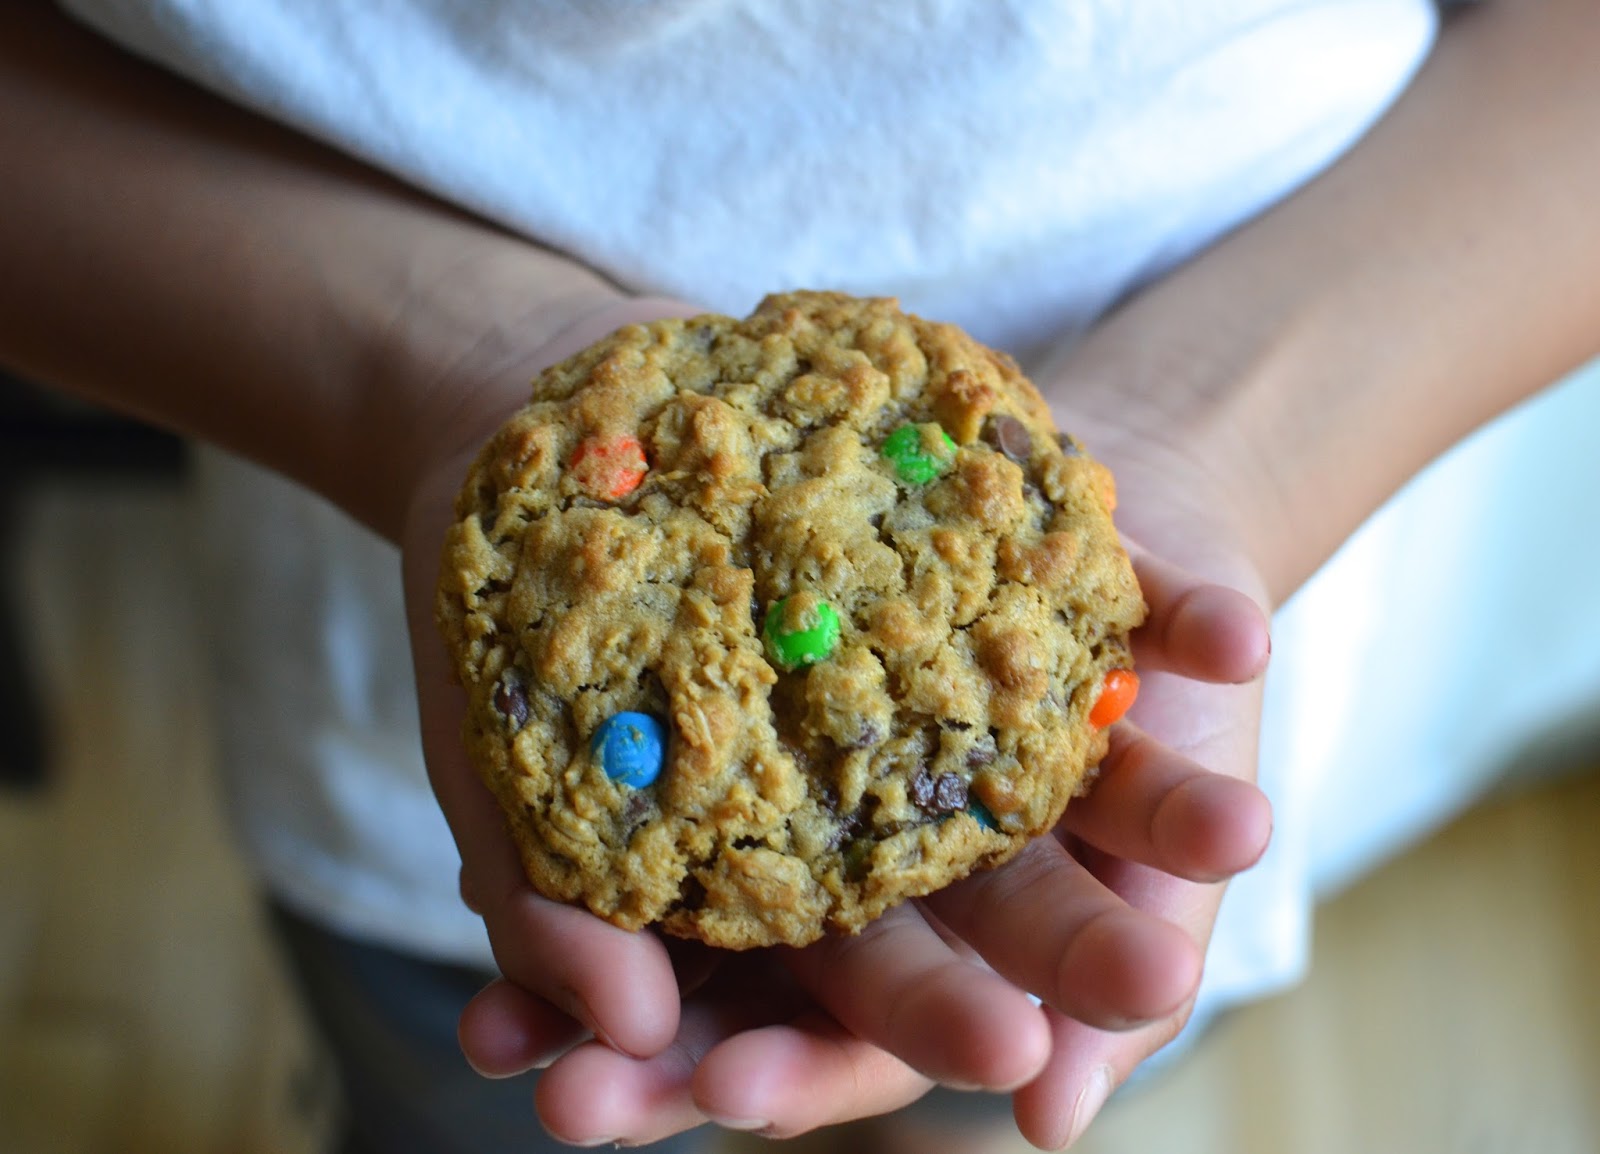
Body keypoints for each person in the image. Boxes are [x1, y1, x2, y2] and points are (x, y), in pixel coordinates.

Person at [2, 0, 1597, 1150]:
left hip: (1171, 672)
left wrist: (1232, 446)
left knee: (1021, 1068)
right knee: (480, 1091)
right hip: (401, 747)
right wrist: (421, 374)